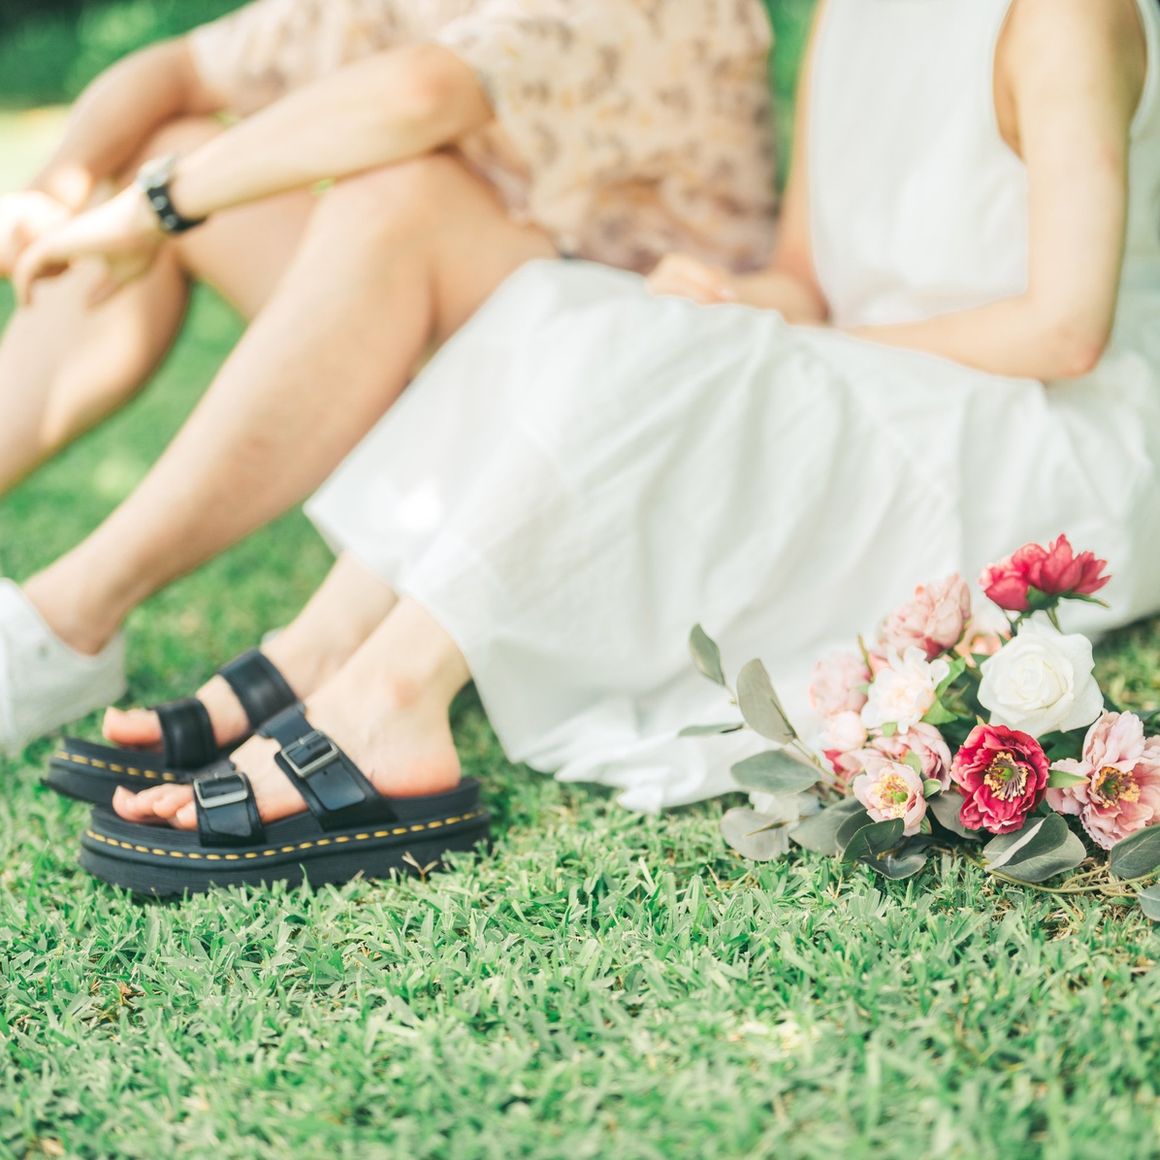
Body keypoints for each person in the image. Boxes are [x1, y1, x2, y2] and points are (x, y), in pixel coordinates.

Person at [71, 0, 1160, 893]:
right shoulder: (849, 13)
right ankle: (319, 651)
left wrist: (764, 341)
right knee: (567, 304)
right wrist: (720, 301)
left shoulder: (1064, 13)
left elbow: (1062, 331)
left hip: (1042, 433)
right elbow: (804, 281)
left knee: (681, 350)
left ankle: (386, 703)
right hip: (893, 384)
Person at [0, 0, 776, 754]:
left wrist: (156, 205)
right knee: (167, 144)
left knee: (400, 196)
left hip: (636, 401)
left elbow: (422, 93)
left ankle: (62, 627)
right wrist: (57, 189)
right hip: (461, 355)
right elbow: (176, 71)